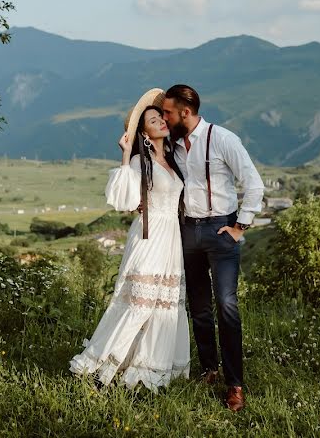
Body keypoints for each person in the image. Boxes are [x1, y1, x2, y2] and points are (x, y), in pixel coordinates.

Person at [69, 89, 190, 391]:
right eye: (153, 120)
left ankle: (149, 370)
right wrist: (126, 153)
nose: (161, 121)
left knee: (164, 305)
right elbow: (124, 200)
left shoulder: (174, 159)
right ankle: (101, 368)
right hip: (149, 236)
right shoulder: (140, 161)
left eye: (161, 117)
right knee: (139, 302)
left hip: (172, 238)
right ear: (144, 132)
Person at [162, 84, 265, 412]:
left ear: (185, 112)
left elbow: (254, 183)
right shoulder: (174, 145)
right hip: (188, 231)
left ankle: (235, 384)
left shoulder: (223, 139)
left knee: (227, 306)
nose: (164, 118)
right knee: (200, 308)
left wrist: (240, 226)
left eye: (168, 112)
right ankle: (209, 369)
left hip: (221, 230)